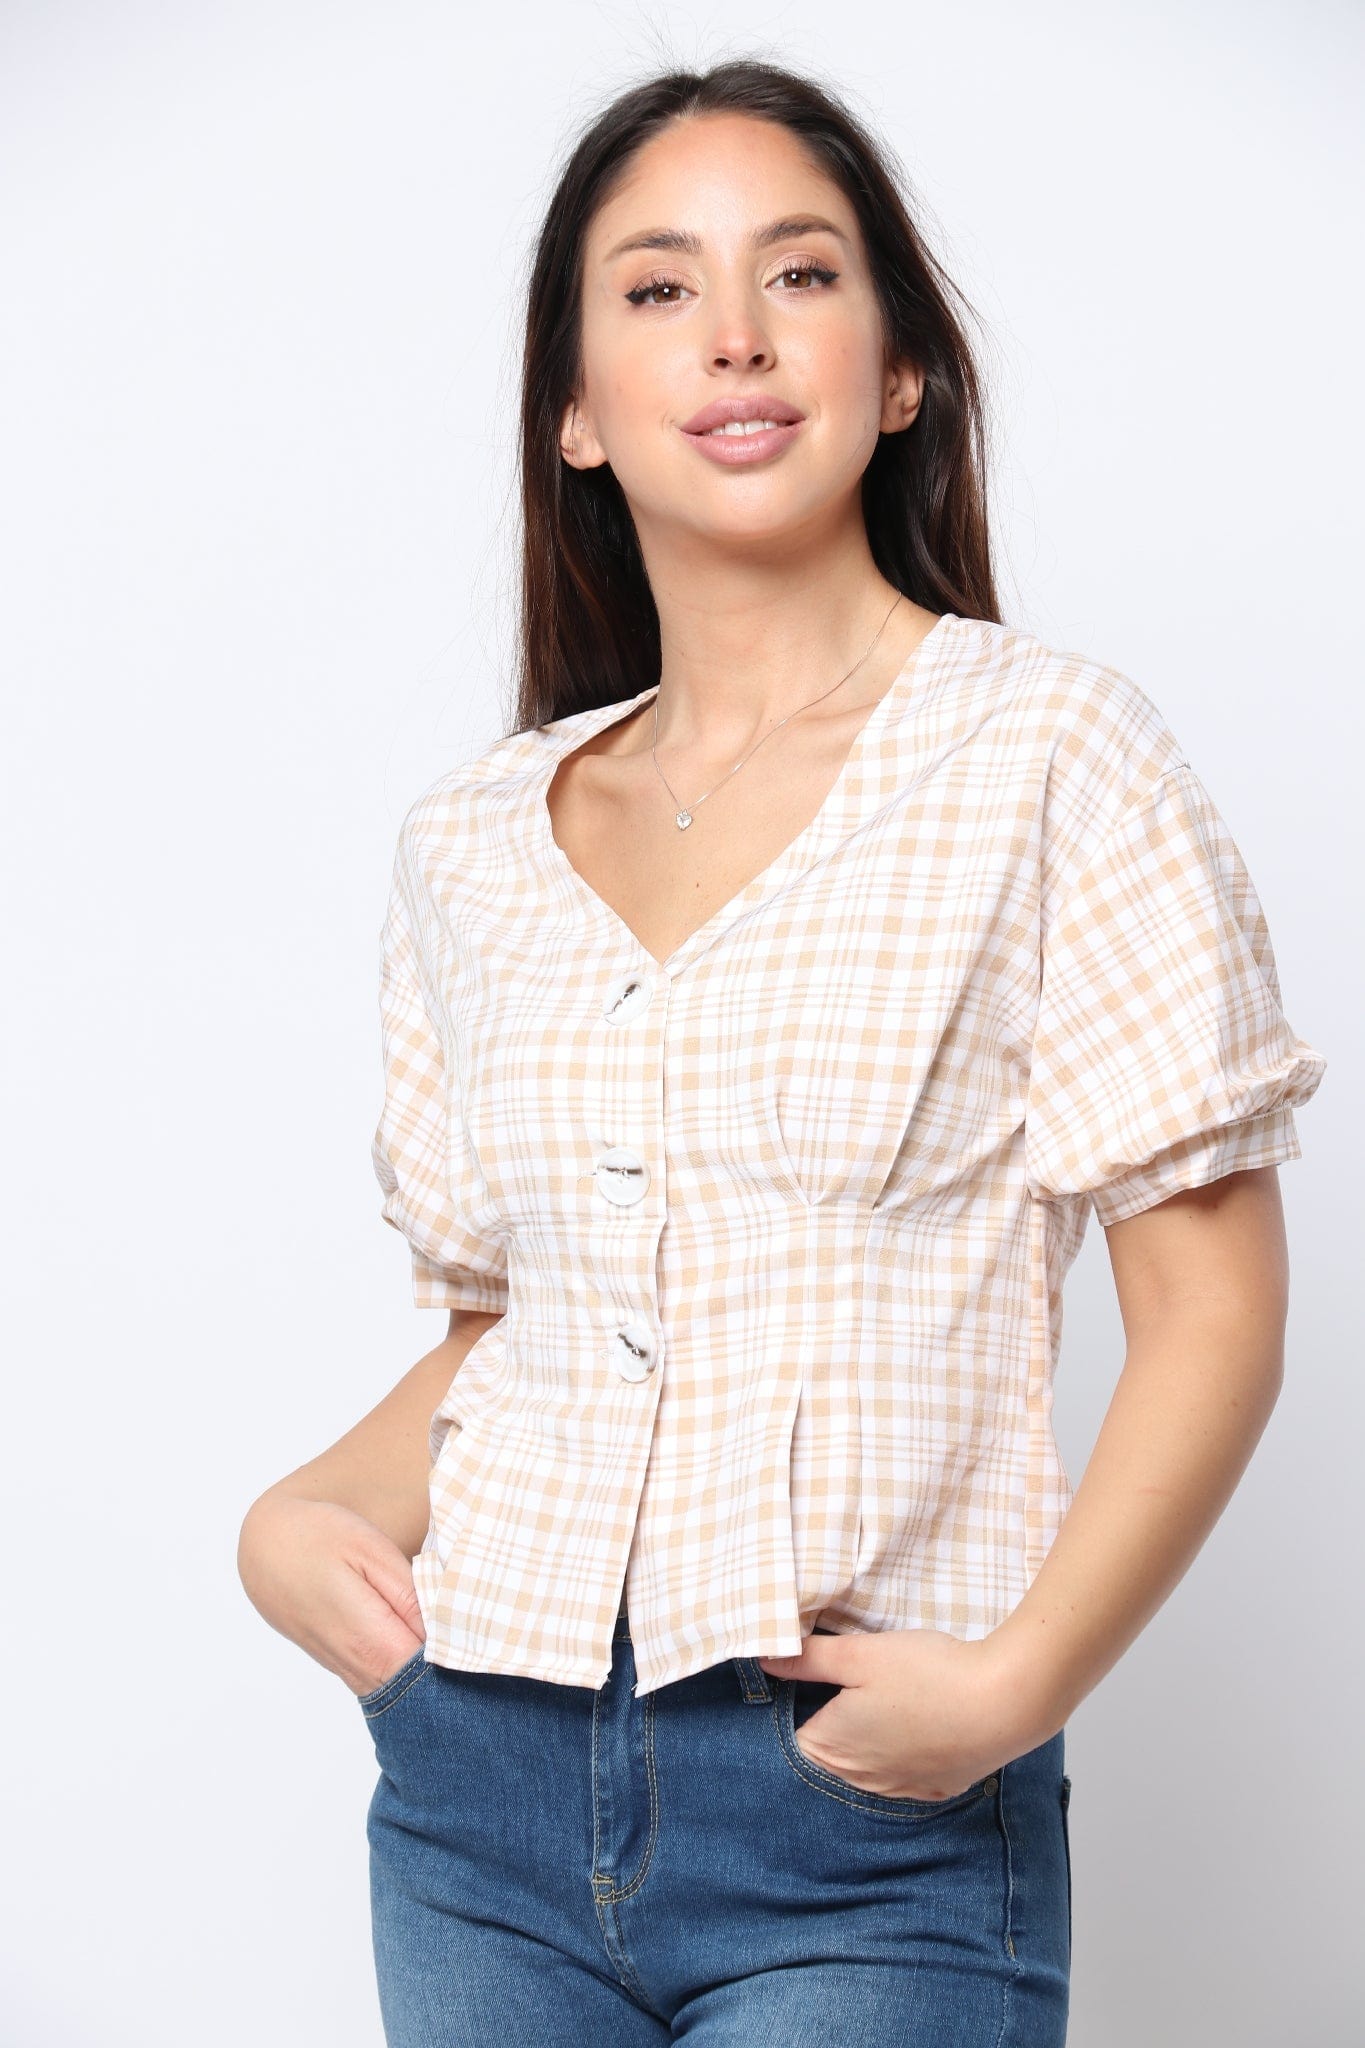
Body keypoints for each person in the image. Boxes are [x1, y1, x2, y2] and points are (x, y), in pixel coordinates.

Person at [237, 57, 1327, 2047]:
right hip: (474, 1798)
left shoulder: (1051, 754)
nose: (732, 334)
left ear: (896, 371)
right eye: (656, 288)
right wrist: (298, 1513)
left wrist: (1013, 1688)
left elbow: (1209, 1314)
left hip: (860, 1819)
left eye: (799, 274)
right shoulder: (470, 840)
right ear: (573, 408)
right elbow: (530, 1329)